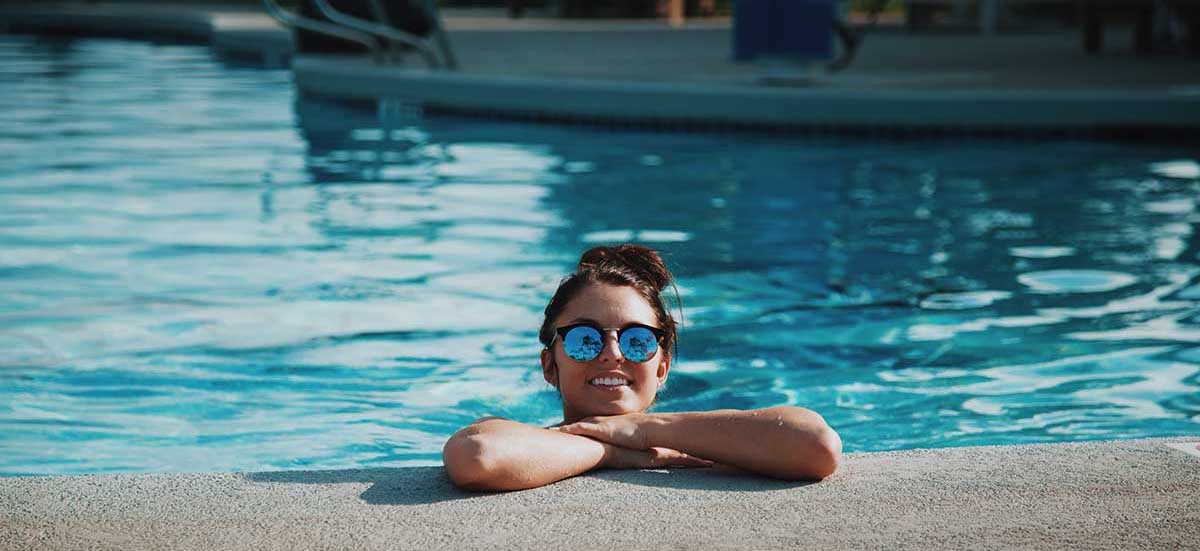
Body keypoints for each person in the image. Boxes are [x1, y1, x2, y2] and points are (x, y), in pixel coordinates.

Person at [443, 244, 841, 491]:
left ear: (662, 366)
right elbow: (479, 455)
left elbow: (816, 446)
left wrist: (644, 429)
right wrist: (613, 452)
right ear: (550, 365)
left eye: (637, 340)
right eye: (585, 339)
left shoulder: (717, 440)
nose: (613, 354)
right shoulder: (522, 439)